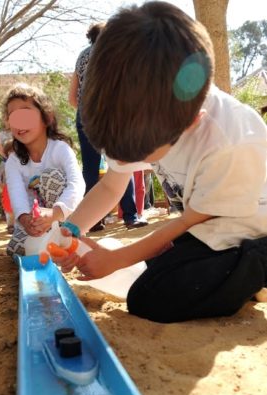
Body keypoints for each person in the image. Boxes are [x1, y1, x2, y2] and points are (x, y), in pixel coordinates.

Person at [52, 1, 267, 323]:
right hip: (199, 224)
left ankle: (259, 268)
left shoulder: (230, 142)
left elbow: (187, 222)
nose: (123, 159)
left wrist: (119, 258)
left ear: (190, 124)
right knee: (144, 273)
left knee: (153, 299)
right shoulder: (138, 111)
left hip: (244, 227)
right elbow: (112, 184)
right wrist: (71, 229)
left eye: (137, 155)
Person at [69, 23, 147, 231]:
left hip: (85, 114)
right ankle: (131, 216)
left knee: (90, 168)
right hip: (111, 113)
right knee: (123, 161)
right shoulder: (112, 52)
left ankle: (93, 221)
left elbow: (72, 97)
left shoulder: (81, 57)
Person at [3, 82, 85, 256]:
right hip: (35, 224)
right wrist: (26, 221)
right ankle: (48, 246)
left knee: (51, 177)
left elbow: (77, 184)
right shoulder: (13, 161)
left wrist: (54, 214)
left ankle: (68, 237)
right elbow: (17, 195)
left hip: (62, 219)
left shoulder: (60, 149)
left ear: (46, 118)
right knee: (15, 249)